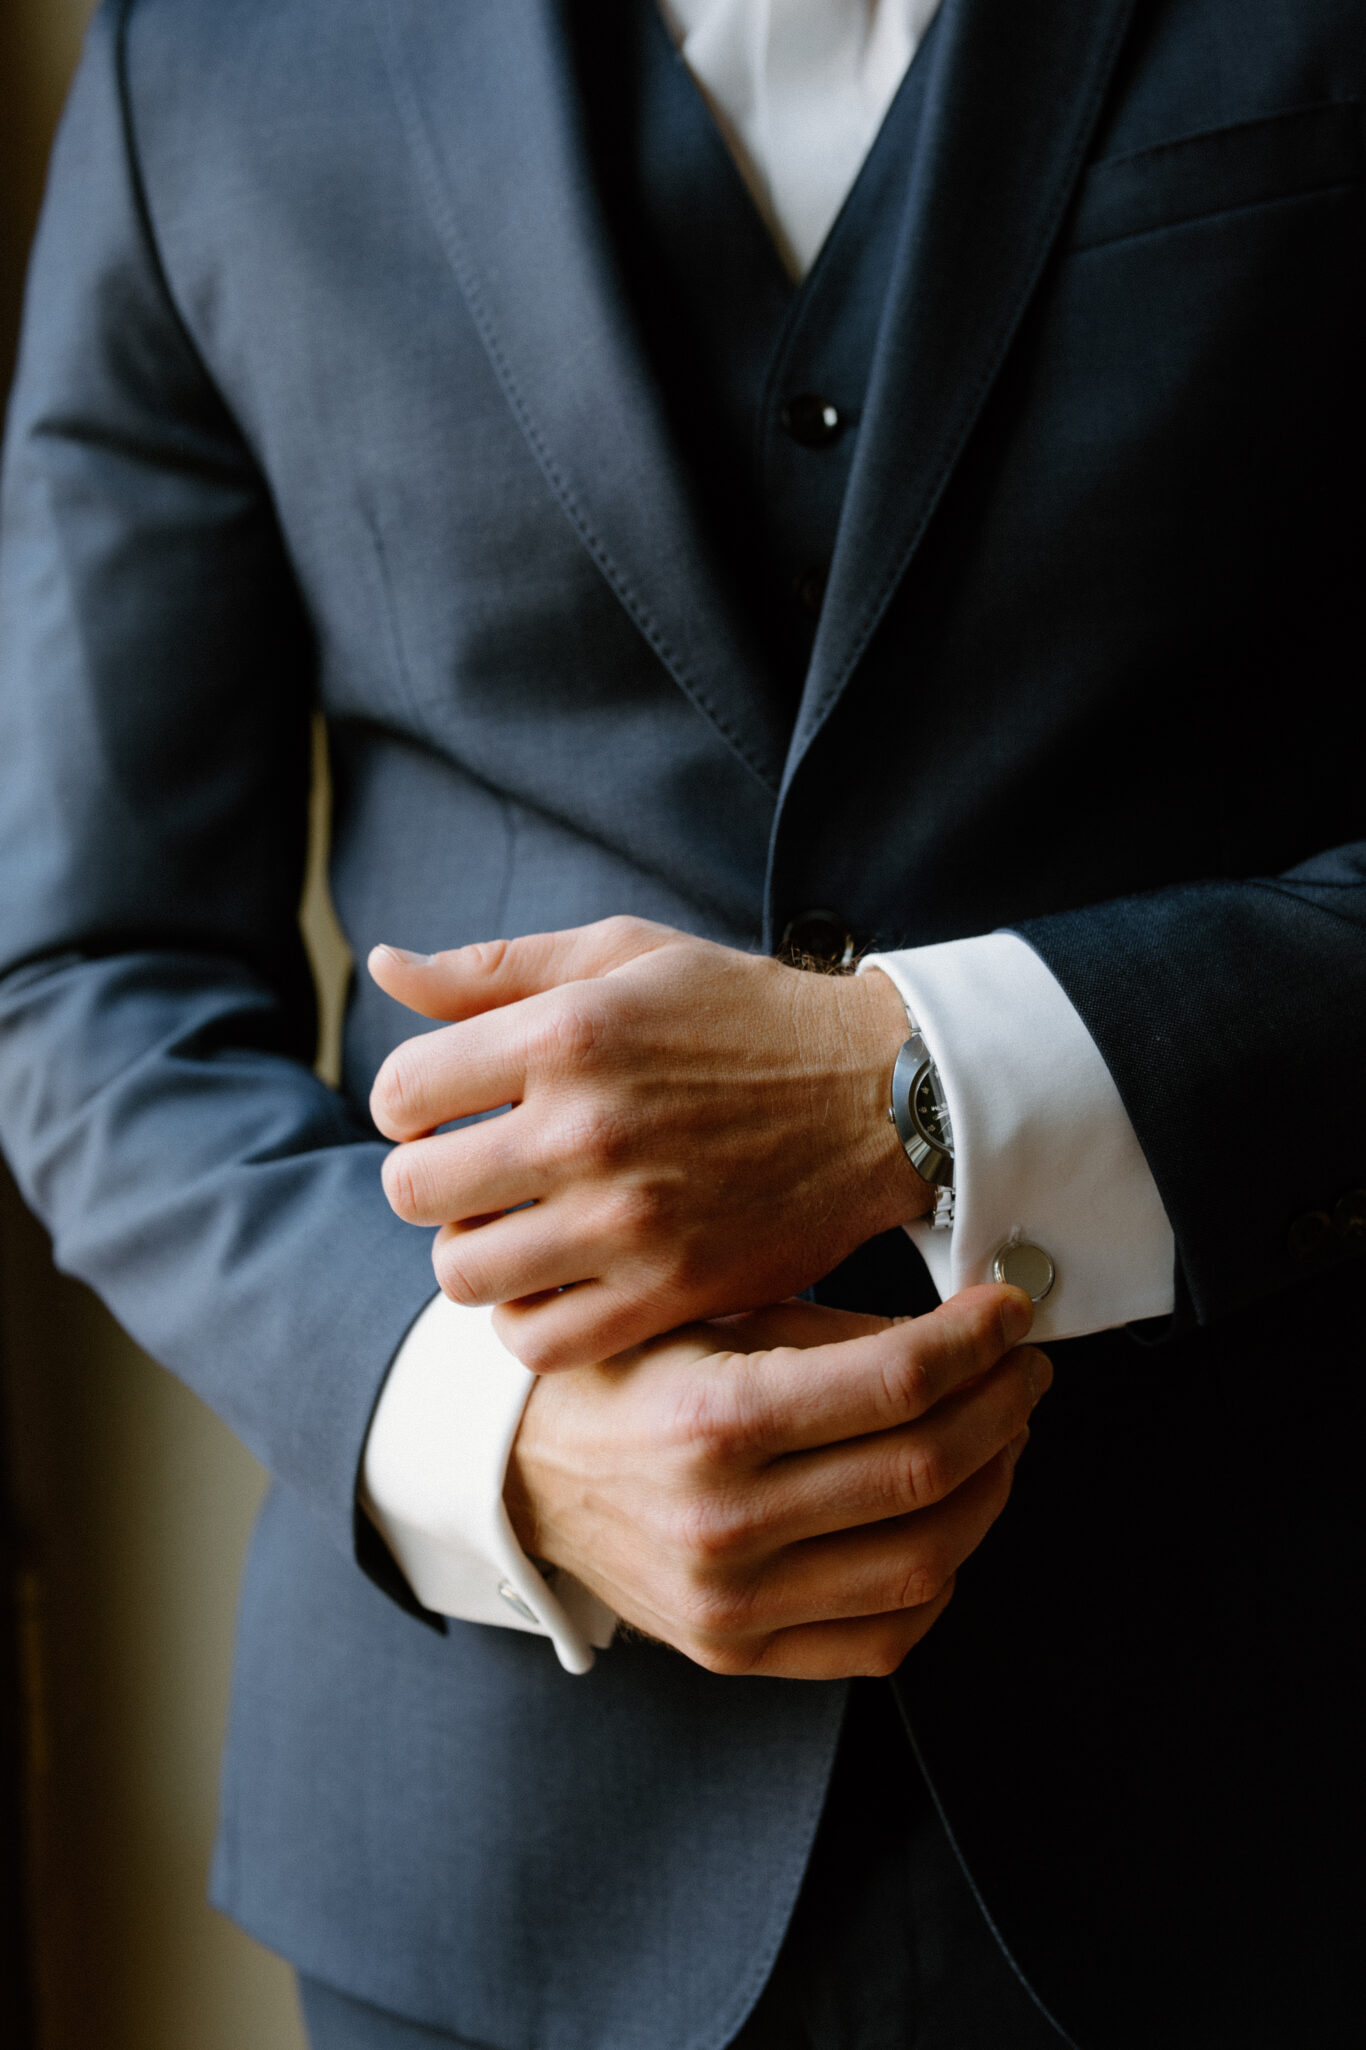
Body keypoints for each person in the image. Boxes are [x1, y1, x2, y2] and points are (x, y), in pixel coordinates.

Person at [0, 1, 1361, 2046]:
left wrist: (918, 1084)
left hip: (1273, 1786)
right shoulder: (204, 49)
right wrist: (498, 1436)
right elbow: (86, 976)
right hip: (482, 1874)